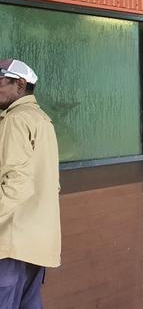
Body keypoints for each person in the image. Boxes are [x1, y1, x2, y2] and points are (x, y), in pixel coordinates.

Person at [0, 59, 61, 309]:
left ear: (20, 84)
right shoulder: (41, 119)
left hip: (12, 241)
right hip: (38, 241)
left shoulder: (15, 120)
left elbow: (16, 182)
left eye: (0, 82)